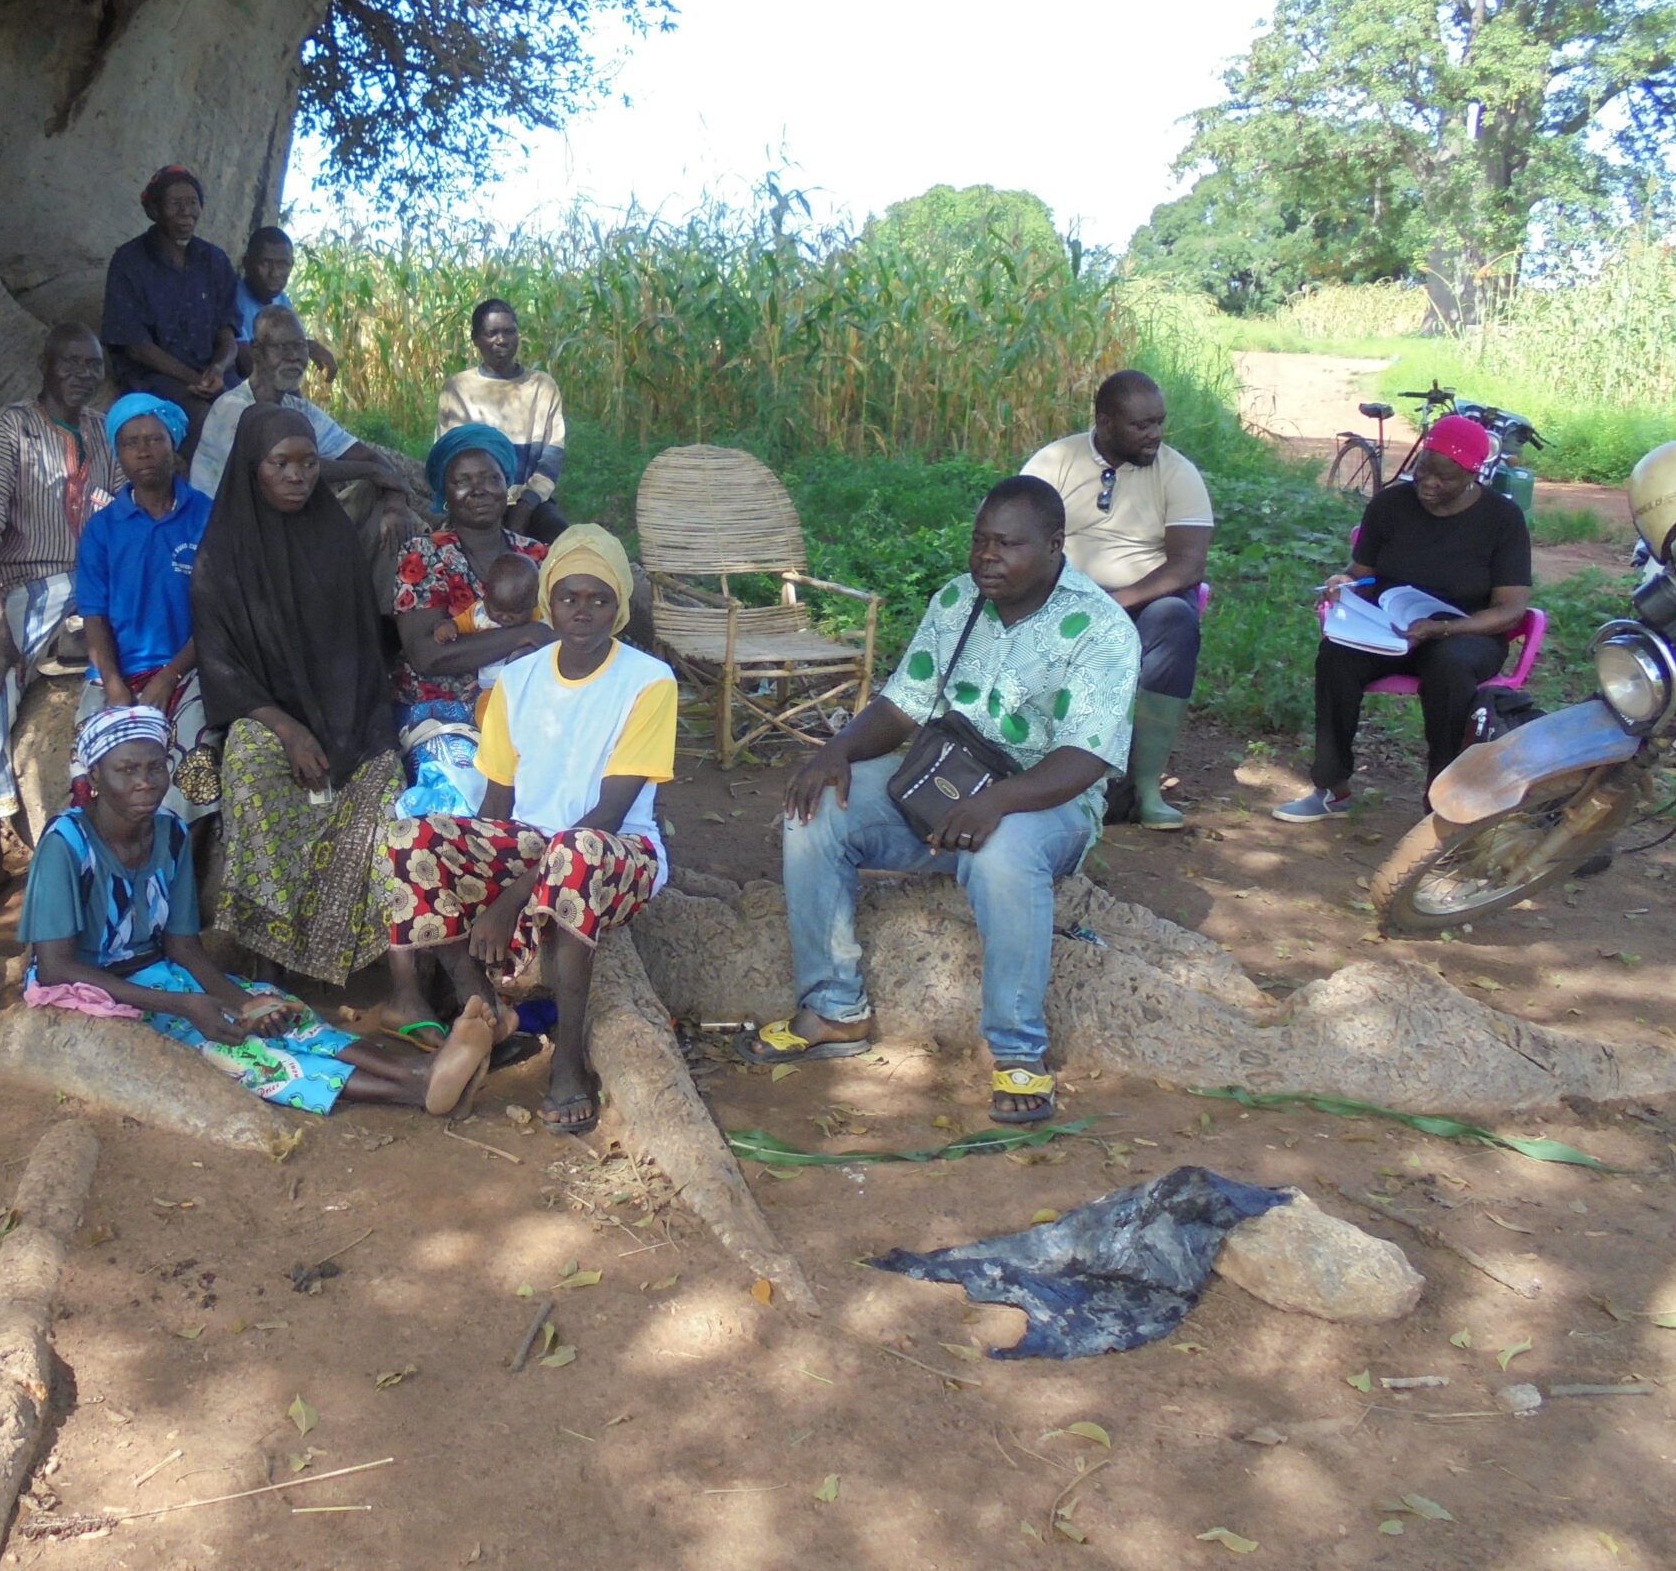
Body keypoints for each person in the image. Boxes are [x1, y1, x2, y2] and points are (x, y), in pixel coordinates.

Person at [746, 477, 1138, 1127]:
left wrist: (999, 803)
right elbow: (904, 703)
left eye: (1007, 544)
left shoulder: (1101, 629)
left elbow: (1086, 756)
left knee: (1003, 848)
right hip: (943, 787)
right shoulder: (958, 601)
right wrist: (834, 752)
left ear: (1053, 547)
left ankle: (1018, 1050)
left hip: (1050, 802)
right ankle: (836, 1009)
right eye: (979, 541)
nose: (987, 557)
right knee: (817, 809)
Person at [18, 706, 488, 1115]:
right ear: (95, 777)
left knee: (281, 1013)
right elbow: (57, 966)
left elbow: (182, 945)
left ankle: (422, 1069)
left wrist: (239, 1000)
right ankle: (413, 1090)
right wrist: (186, 1005)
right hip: (90, 991)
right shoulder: (67, 844)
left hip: (159, 975)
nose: (145, 783)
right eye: (126, 771)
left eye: (155, 768)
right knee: (235, 1050)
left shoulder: (170, 832)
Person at [377, 526, 675, 1135]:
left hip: (615, 852)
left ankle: (568, 1062)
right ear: (549, 603)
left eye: (599, 598)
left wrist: (509, 901)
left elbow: (611, 815)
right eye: (569, 597)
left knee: (578, 849)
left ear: (619, 606)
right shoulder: (518, 680)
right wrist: (487, 877)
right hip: (534, 843)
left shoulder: (649, 682)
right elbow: (498, 806)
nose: (583, 611)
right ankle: (483, 1005)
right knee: (408, 838)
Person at [192, 403, 406, 984]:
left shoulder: (332, 534)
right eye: (280, 463)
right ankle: (267, 957)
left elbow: (361, 650)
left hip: (351, 716)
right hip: (265, 713)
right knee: (249, 770)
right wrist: (289, 730)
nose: (297, 477)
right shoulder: (222, 553)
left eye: (310, 464)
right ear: (251, 468)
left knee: (383, 791)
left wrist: (346, 735)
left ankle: (366, 970)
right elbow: (221, 663)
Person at [1276, 414, 1533, 822]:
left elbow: (1510, 609)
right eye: (1423, 470)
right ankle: (1332, 787)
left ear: (1472, 475)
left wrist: (1443, 628)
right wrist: (1341, 581)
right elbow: (1361, 573)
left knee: (1449, 672)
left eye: (1444, 478)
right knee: (1336, 658)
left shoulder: (1501, 520)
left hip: (1464, 632)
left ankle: (1441, 803)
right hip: (1391, 628)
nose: (1429, 484)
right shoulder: (1392, 504)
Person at [0, 324, 119, 916]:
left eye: (93, 363)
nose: (83, 373)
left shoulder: (107, 432)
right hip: (33, 584)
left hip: (97, 582)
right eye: (70, 361)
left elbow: (125, 516)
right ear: (43, 365)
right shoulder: (9, 429)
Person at [1022, 369, 1215, 830]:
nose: (1155, 435)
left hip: (1147, 599)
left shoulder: (1177, 473)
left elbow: (1187, 566)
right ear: (1106, 423)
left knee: (1175, 622)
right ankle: (1026, 763)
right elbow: (1019, 538)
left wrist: (1116, 602)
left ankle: (1145, 786)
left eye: (1159, 422)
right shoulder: (1055, 463)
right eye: (1141, 425)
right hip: (1063, 594)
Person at [190, 305, 423, 596]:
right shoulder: (234, 409)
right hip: (237, 536)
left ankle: (399, 614)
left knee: (379, 506)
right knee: (376, 506)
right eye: (282, 347)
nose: (294, 356)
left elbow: (368, 457)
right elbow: (287, 469)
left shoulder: (297, 409)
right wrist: (374, 472)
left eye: (300, 346)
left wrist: (395, 503)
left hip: (285, 524)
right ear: (257, 351)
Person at [75, 393, 218, 820]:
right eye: (130, 442)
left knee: (195, 765)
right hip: (116, 673)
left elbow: (216, 612)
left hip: (190, 666)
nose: (143, 450)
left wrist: (170, 676)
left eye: (154, 439)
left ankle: (177, 870)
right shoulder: (102, 530)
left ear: (172, 443)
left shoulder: (206, 516)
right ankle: (111, 878)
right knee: (91, 771)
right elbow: (94, 616)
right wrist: (115, 685)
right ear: (118, 453)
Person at [389, 424, 553, 725]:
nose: (479, 490)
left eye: (492, 478)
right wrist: (526, 634)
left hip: (528, 709)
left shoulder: (538, 555)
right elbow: (426, 655)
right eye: (462, 481)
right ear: (445, 493)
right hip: (441, 713)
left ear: (507, 485)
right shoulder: (424, 554)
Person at [100, 165, 237, 438]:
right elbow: (137, 348)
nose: (186, 211)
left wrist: (218, 368)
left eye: (192, 202)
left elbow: (228, 330)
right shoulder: (129, 261)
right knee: (203, 423)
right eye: (175, 203)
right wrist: (193, 378)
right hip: (154, 377)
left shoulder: (214, 260)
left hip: (208, 373)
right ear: (154, 211)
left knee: (252, 413)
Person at [437, 298, 568, 541]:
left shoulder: (542, 387)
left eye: (509, 331)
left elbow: (552, 457)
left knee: (563, 542)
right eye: (492, 333)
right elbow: (452, 459)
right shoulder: (458, 389)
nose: (502, 340)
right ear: (476, 339)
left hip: (530, 500)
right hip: (475, 501)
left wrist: (526, 505)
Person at [231, 226, 336, 381]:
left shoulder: (283, 302)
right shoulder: (233, 299)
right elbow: (248, 364)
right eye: (266, 263)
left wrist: (305, 347)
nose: (275, 273)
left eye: (283, 265)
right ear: (247, 263)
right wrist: (304, 349)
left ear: (291, 265)